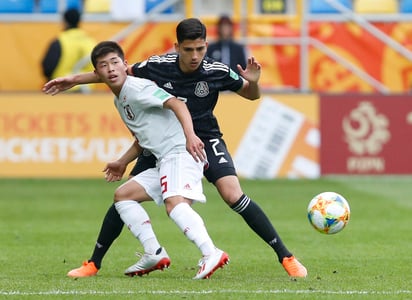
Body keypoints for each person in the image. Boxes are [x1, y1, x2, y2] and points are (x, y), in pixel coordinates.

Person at [43, 18, 307, 279]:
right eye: (189, 49)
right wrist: (75, 80)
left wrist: (255, 82)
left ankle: (286, 256)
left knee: (232, 194)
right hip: (163, 141)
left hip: (202, 136)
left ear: (206, 45)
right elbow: (116, 72)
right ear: (176, 47)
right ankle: (96, 263)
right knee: (125, 196)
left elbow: (251, 94)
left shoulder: (217, 70)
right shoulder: (156, 66)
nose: (195, 56)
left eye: (200, 49)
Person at [77, 40, 229, 279]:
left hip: (180, 152)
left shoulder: (137, 87)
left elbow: (177, 103)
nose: (111, 69)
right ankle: (154, 252)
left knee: (174, 203)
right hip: (164, 158)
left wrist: (190, 136)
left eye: (115, 62)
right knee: (123, 196)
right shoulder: (121, 99)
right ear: (97, 73)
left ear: (125, 65)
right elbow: (143, 139)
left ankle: (211, 252)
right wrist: (122, 161)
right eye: (104, 65)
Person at [41, 8, 95, 92]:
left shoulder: (59, 41)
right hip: (86, 89)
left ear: (64, 21)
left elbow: (47, 68)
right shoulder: (90, 42)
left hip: (62, 88)